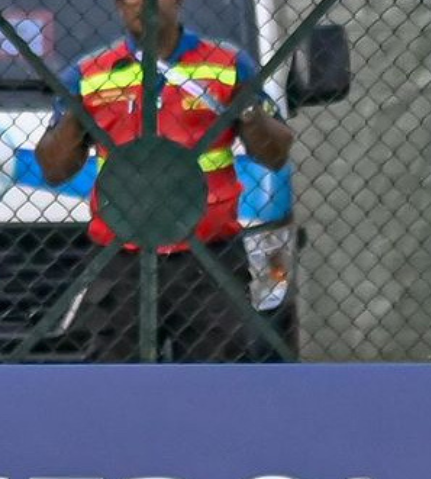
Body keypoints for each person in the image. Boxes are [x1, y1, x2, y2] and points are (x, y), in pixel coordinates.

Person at [35, 0, 295, 362]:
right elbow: (54, 169)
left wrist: (249, 112)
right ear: (119, 6)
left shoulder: (228, 66)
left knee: (217, 381)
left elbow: (276, 153)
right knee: (116, 384)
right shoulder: (89, 74)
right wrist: (76, 117)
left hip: (208, 257)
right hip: (122, 258)